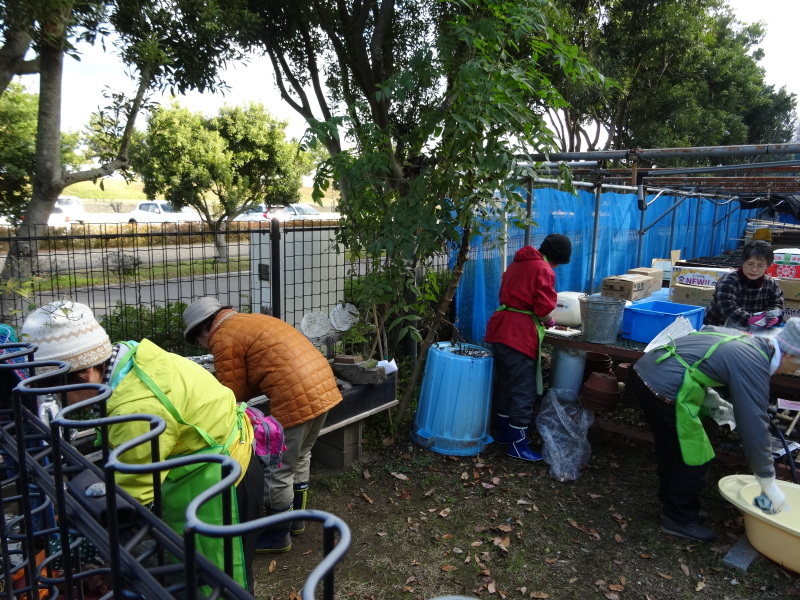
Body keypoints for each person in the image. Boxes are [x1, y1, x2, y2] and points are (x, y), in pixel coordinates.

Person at [22, 301, 263, 592]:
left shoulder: (135, 409)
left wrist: (85, 525)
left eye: (61, 392)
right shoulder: (128, 357)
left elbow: (135, 488)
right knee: (194, 564)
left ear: (85, 374)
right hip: (220, 453)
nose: (62, 402)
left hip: (221, 482)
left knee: (219, 578)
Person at [182, 298, 343, 553]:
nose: (206, 346)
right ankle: (296, 522)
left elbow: (233, 393)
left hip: (295, 395)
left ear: (203, 330)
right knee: (300, 456)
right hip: (322, 385)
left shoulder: (222, 337)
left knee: (278, 469)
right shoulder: (250, 320)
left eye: (200, 341)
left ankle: (278, 536)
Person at [628, 318, 800, 543]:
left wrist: (725, 400)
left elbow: (711, 341)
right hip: (663, 384)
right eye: (798, 364)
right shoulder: (754, 360)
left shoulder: (751, 341)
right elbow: (754, 426)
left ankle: (674, 505)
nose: (796, 370)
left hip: (648, 370)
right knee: (694, 455)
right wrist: (767, 478)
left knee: (674, 448)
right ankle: (678, 518)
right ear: (788, 354)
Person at [484, 233, 572, 462]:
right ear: (557, 260)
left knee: (504, 384)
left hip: (499, 330)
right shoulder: (543, 270)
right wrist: (549, 320)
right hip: (519, 335)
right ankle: (518, 445)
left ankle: (503, 433)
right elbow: (542, 310)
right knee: (523, 389)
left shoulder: (517, 264)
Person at [703, 240, 784, 329]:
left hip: (754, 330)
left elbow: (777, 304)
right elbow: (727, 306)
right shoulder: (729, 281)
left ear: (768, 266)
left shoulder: (771, 284)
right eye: (750, 264)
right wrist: (749, 319)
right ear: (743, 262)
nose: (754, 269)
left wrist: (775, 317)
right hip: (718, 327)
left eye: (760, 266)